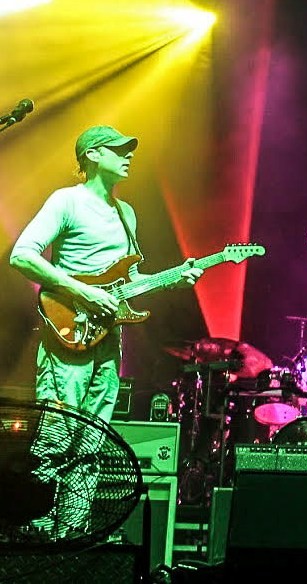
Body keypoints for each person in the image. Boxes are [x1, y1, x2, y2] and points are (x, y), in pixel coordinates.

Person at [10, 125, 202, 537]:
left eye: (129, 150)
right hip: (67, 333)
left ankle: (73, 532)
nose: (128, 155)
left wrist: (174, 279)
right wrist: (82, 292)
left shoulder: (126, 213)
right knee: (56, 434)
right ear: (92, 155)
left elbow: (127, 282)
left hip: (107, 339)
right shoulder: (66, 201)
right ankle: (37, 530)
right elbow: (22, 255)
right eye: (119, 149)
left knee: (93, 440)